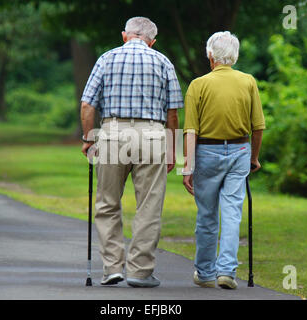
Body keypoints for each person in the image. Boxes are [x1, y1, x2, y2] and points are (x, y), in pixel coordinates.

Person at [80, 17, 183, 288]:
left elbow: (88, 105)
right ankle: (140, 270)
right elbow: (172, 114)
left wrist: (88, 139)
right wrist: (173, 149)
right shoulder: (163, 62)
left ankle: (112, 267)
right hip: (152, 134)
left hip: (113, 133)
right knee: (149, 205)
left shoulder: (106, 58)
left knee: (107, 202)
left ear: (125, 35)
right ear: (152, 41)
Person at [182, 31, 265, 289]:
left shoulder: (198, 85)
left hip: (206, 153)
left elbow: (190, 131)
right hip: (240, 151)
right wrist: (254, 157)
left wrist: (188, 167)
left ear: (210, 55)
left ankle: (205, 273)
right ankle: (226, 271)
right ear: (235, 55)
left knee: (207, 214)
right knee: (232, 213)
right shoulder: (248, 81)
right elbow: (258, 127)